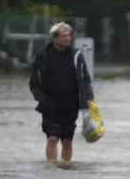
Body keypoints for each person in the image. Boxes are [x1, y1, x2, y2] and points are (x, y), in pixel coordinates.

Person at [29, 22, 94, 163]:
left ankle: (65, 166)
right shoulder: (42, 57)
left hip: (71, 104)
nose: (68, 38)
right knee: (52, 138)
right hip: (49, 104)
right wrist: (41, 98)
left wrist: (88, 98)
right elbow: (34, 83)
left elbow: (86, 79)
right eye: (64, 36)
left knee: (67, 141)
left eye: (69, 35)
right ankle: (51, 167)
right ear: (55, 38)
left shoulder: (76, 56)